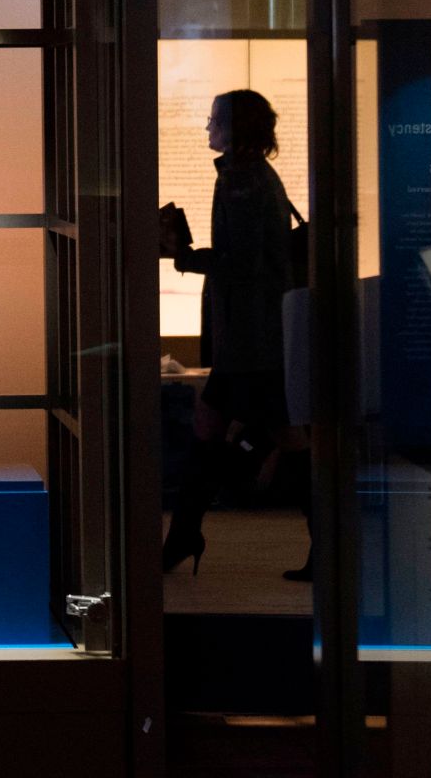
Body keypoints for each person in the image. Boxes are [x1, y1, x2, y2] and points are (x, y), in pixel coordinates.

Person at [161, 89, 298, 575]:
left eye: (214, 118)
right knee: (222, 431)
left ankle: (182, 539)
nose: (207, 127)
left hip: (250, 340)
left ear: (234, 127)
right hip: (257, 337)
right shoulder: (255, 174)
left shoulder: (240, 180)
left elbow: (238, 262)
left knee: (243, 436)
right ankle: (183, 537)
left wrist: (184, 256)